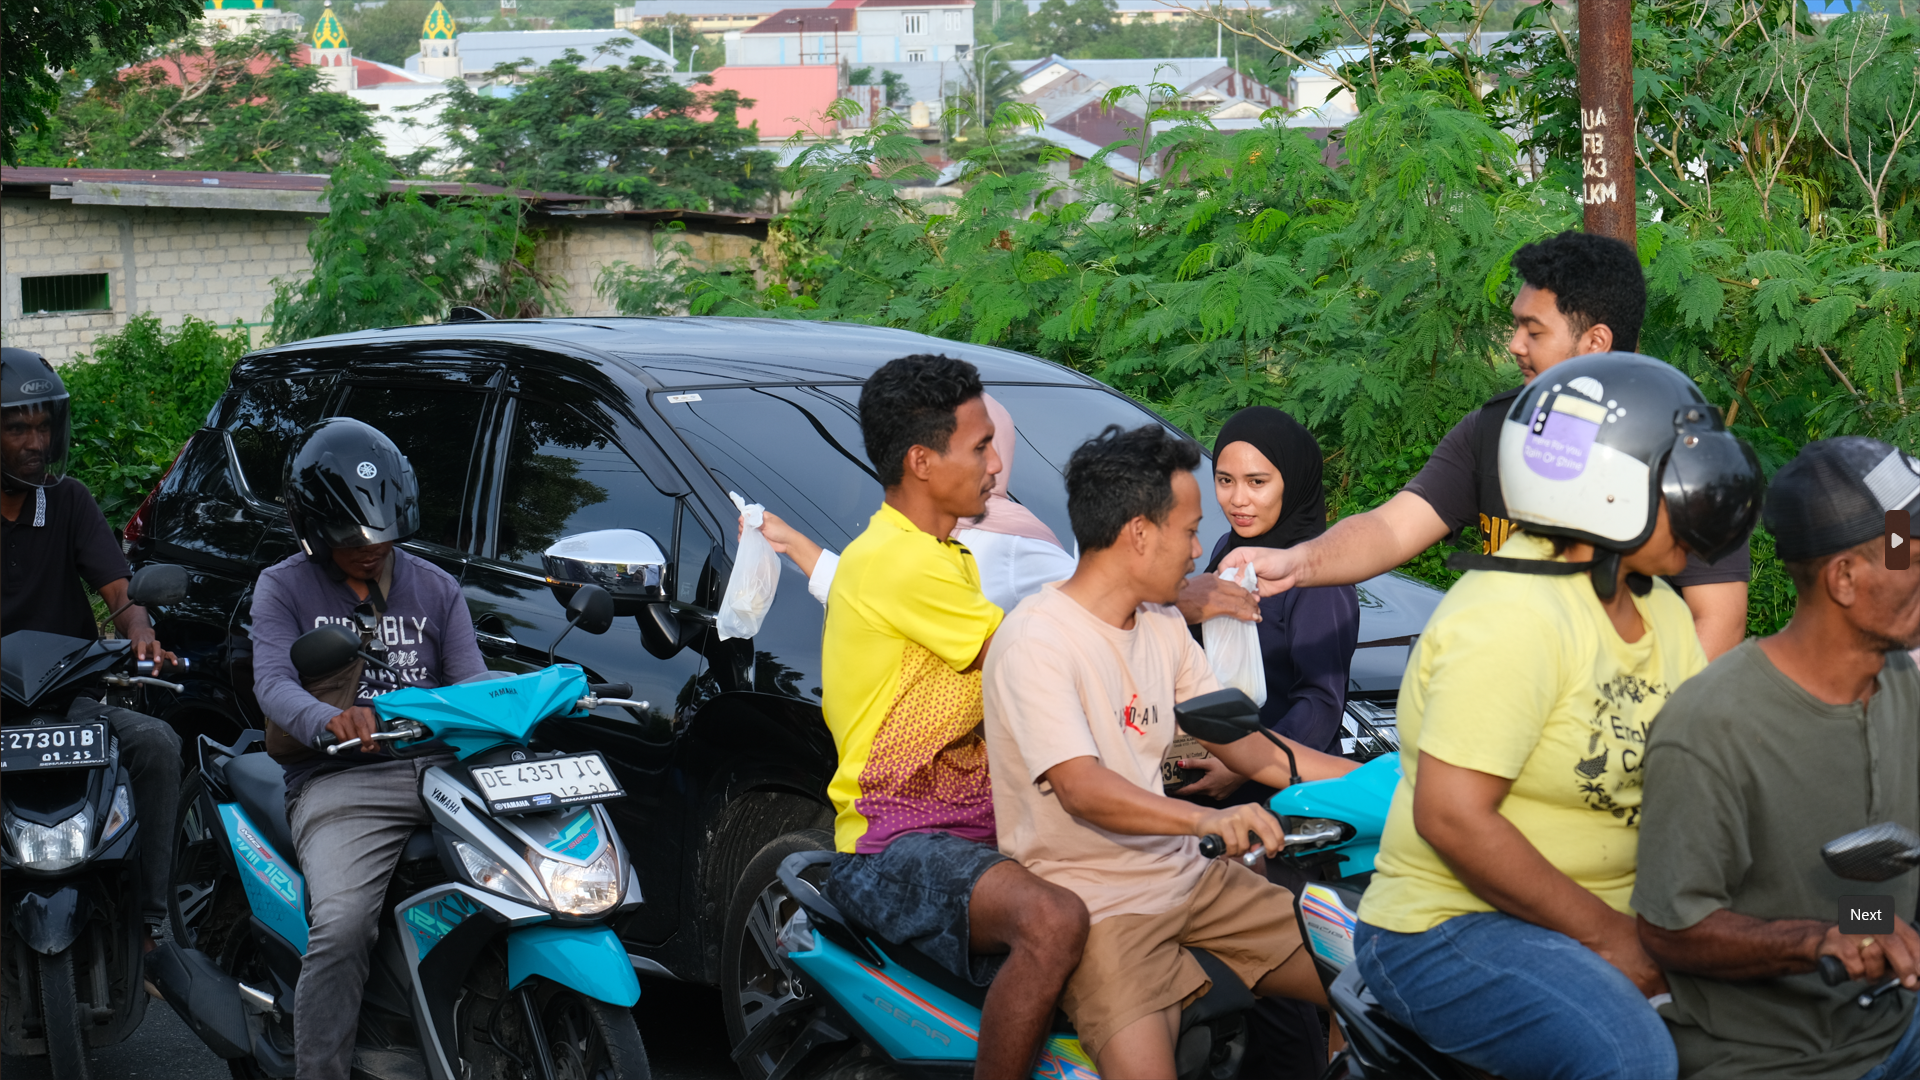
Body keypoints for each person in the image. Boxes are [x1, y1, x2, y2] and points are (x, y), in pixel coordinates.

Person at [1344, 353, 1763, 1080]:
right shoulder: (1514, 617)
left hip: (1615, 913)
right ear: (1605, 489)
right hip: (1449, 924)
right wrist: (1612, 940)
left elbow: (1710, 777)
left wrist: (1848, 919)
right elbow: (1453, 818)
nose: (1703, 505)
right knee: (1630, 1058)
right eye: (1679, 484)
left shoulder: (1660, 609)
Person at [982, 423, 1356, 1079]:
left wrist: (1388, 786)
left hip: (1202, 882)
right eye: (1189, 531)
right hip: (1106, 909)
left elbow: (1250, 746)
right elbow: (1082, 787)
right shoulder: (1037, 641)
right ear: (1138, 534)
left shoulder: (1160, 625)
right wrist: (1206, 819)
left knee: (1392, 983)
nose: (1198, 553)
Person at [1222, 232, 1752, 659]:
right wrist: (1298, 562)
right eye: (1515, 326)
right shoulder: (1494, 430)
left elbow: (1719, 621)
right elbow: (1389, 528)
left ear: (1595, 343)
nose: (1515, 345)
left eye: (1533, 331)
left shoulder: (1677, 448)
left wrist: (1643, 745)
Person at [819, 354, 1088, 1080]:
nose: (997, 464)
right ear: (921, 461)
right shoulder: (899, 563)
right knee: (1053, 921)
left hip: (979, 821)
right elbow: (1033, 654)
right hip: (895, 841)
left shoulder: (947, 554)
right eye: (980, 446)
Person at [1635, 437, 1920, 1080]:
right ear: (1844, 578)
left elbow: (1857, 905)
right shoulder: (1712, 727)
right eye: (1906, 546)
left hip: (1897, 1027)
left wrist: (1863, 925)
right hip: (1773, 1061)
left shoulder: (1903, 682)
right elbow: (1668, 931)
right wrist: (1817, 941)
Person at [248, 418, 486, 1080]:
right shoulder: (283, 587)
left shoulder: (436, 587)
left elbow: (469, 683)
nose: (372, 548)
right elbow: (272, 685)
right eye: (354, 538)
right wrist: (330, 721)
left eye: (384, 535)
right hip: (340, 782)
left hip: (441, 768)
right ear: (314, 529)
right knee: (343, 924)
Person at [0, 348, 182, 950]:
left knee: (157, 744)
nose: (36, 441)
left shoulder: (69, 501)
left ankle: (149, 921)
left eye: (43, 426)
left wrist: (141, 631)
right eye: (17, 427)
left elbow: (121, 593)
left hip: (71, 703)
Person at [1178, 407, 1359, 806]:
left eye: (1257, 482)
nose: (1238, 500)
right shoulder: (1231, 551)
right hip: (1209, 778)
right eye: (1225, 481)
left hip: (1284, 797)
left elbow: (1321, 703)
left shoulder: (1319, 577)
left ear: (1291, 482)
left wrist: (1247, 765)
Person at [750, 393, 1078, 613]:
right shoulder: (923, 527)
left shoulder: (1012, 541)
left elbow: (1098, 608)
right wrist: (791, 542)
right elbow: (873, 596)